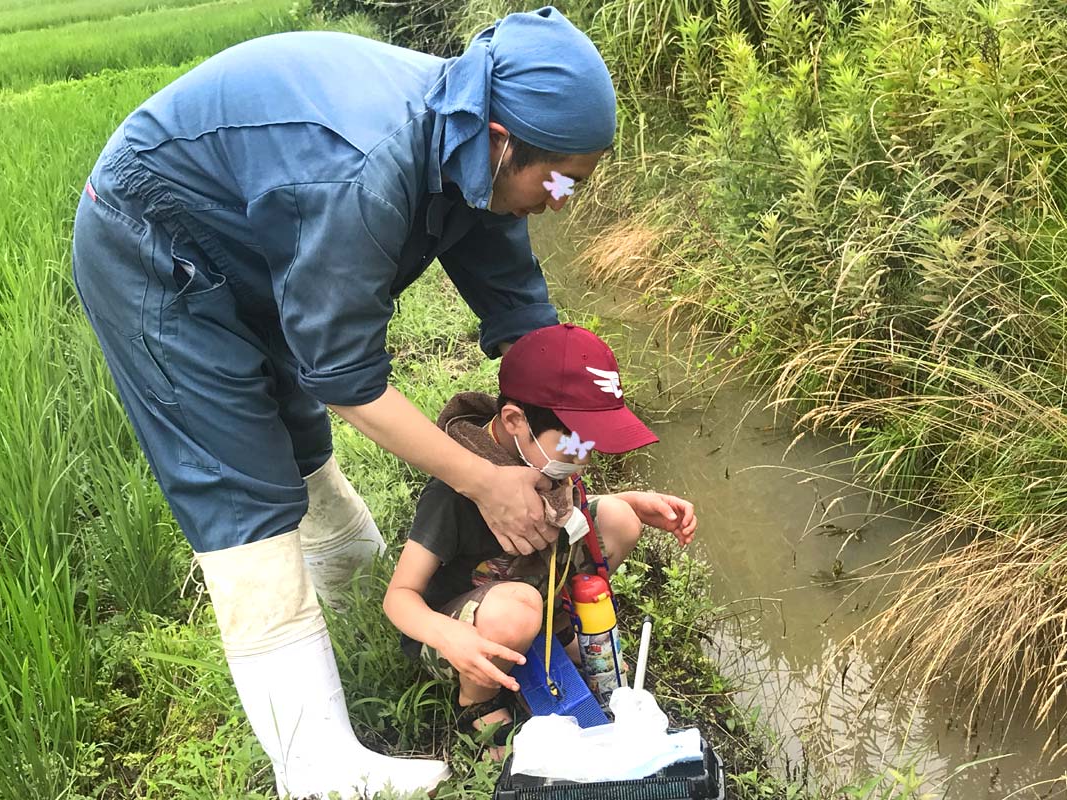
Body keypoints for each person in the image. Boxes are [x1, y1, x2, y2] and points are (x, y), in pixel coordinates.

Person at [70, 7, 617, 798]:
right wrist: (482, 477)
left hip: (250, 235)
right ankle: (318, 768)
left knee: (291, 429)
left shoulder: (473, 156)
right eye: (561, 178)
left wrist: (563, 450)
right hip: (154, 242)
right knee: (239, 484)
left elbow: (524, 327)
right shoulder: (367, 169)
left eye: (581, 182)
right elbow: (346, 378)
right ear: (503, 138)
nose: (565, 199)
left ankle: (355, 584)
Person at [383, 323, 698, 761]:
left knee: (620, 520)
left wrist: (628, 501)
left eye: (591, 447)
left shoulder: (547, 461)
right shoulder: (454, 492)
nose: (583, 461)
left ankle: (552, 633)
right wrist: (448, 635)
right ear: (515, 420)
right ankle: (478, 700)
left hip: (528, 593)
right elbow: (399, 597)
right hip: (469, 630)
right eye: (574, 447)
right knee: (515, 610)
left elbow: (566, 518)